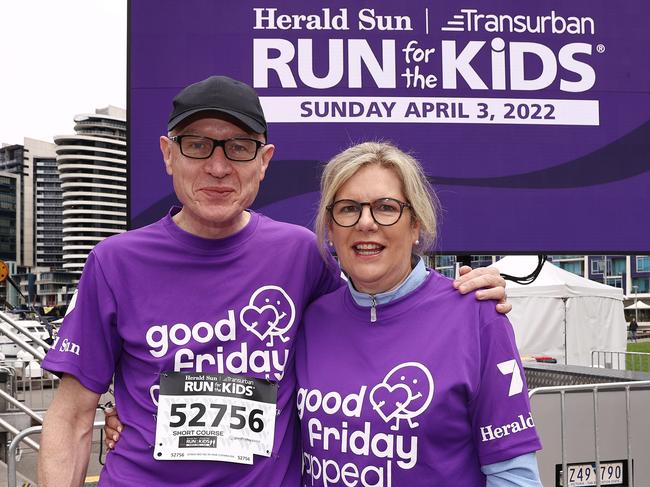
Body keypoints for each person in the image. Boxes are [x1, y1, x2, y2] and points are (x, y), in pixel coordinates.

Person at [40, 75, 509, 486]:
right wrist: (120, 411)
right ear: (168, 154)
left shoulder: (300, 253)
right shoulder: (114, 262)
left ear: (264, 161)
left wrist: (462, 296)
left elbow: (373, 315)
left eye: (239, 147)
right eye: (197, 144)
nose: (218, 167)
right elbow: (71, 416)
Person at [296, 142, 542, 485]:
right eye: (348, 208)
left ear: (416, 226)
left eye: (386, 207)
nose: (366, 223)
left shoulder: (477, 315)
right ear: (331, 229)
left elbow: (513, 475)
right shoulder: (311, 319)